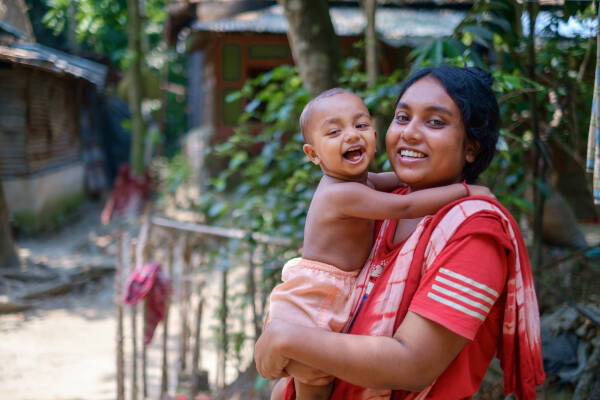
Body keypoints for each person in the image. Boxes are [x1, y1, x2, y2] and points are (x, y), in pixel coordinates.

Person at [255, 66, 545, 400]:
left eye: (435, 122)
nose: (409, 133)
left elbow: (414, 365)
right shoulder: (384, 205)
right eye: (402, 117)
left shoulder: (475, 232)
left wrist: (287, 340)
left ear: (471, 148)